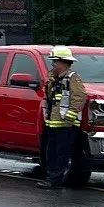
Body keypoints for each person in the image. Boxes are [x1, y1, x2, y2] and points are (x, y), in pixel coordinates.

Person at [41, 45, 87, 188]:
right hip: (53, 122)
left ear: (64, 62)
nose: (53, 64)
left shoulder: (73, 78)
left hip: (65, 124)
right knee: (51, 152)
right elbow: (48, 98)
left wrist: (69, 118)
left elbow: (79, 98)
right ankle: (50, 178)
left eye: (55, 61)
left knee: (61, 153)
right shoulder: (53, 79)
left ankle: (55, 181)